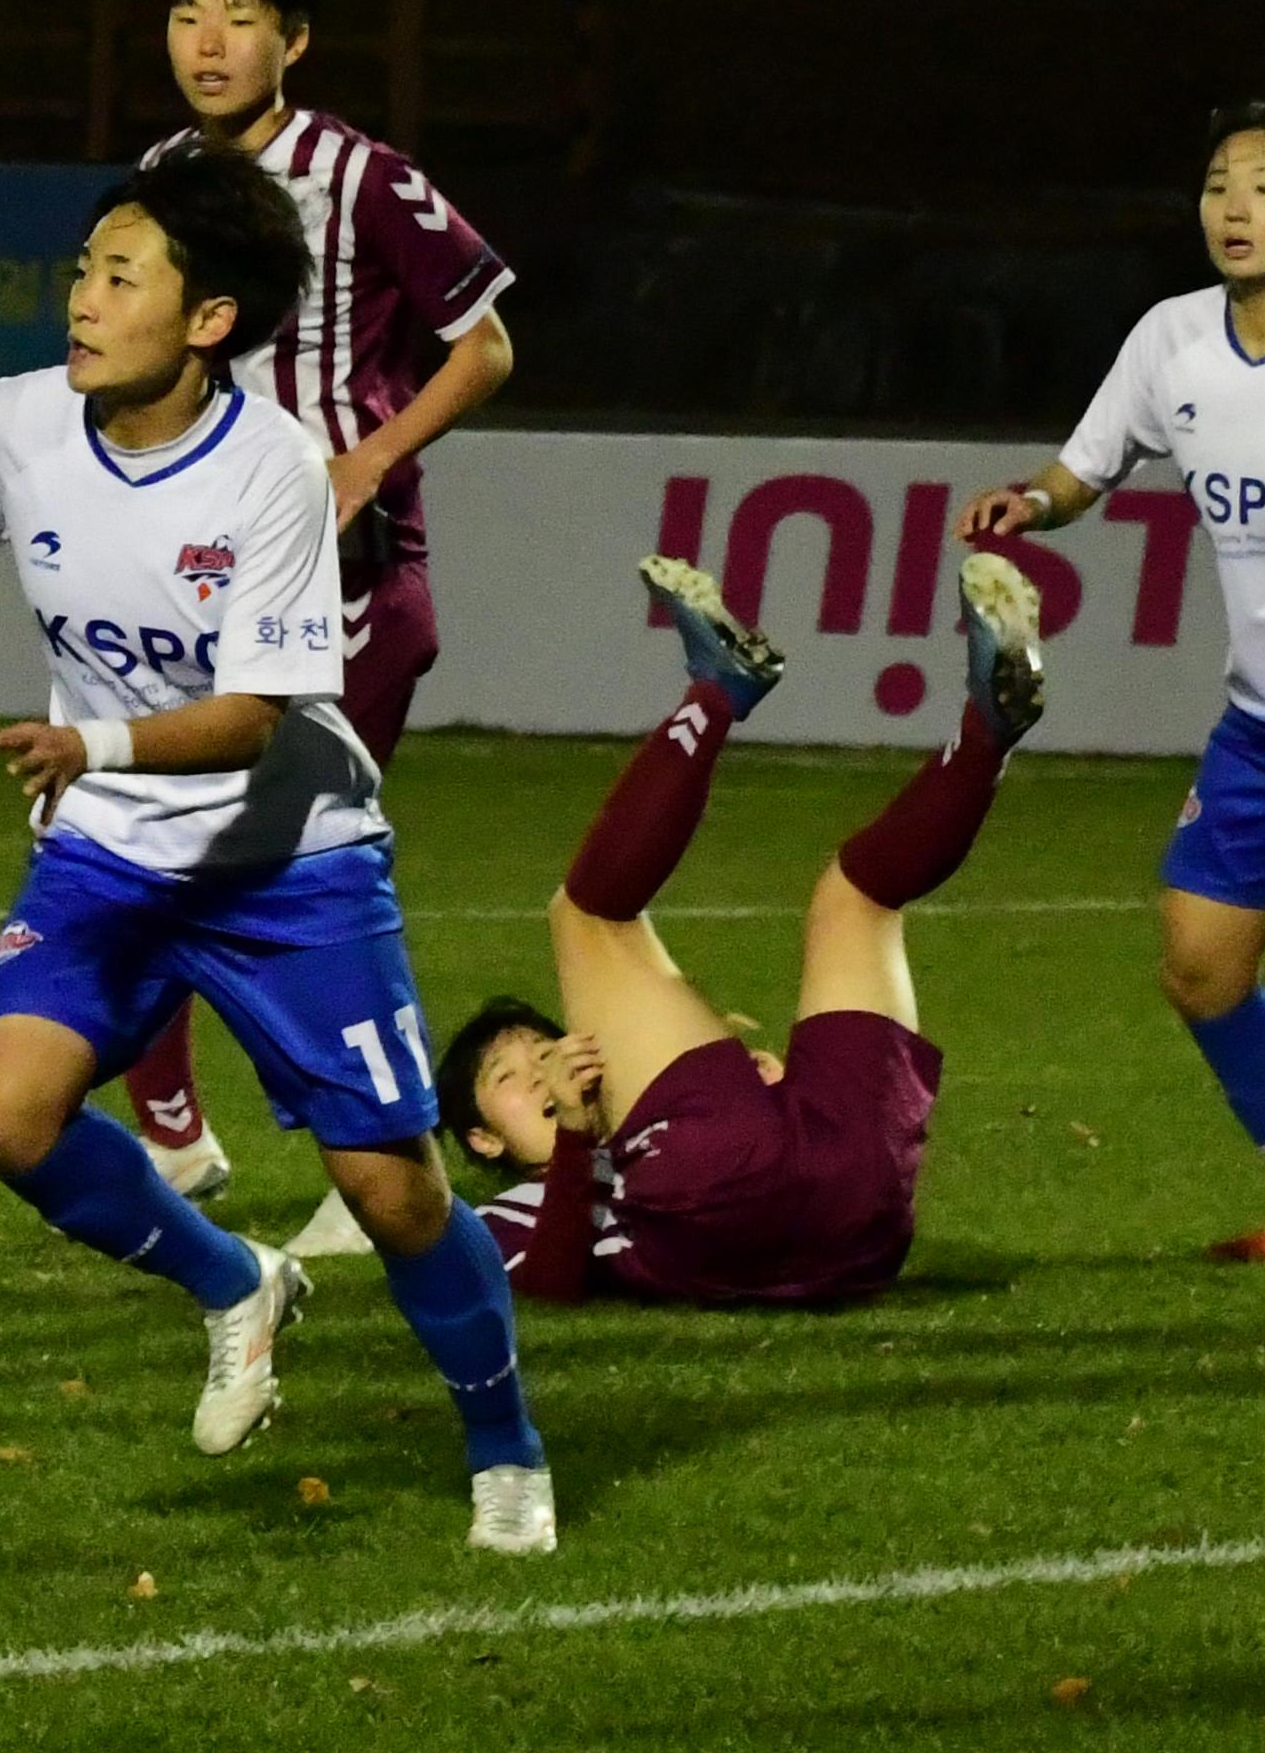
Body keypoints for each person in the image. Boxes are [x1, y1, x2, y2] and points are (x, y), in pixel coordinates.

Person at [0, 150, 554, 1553]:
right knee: (5, 1107)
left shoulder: (274, 475)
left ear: (208, 320)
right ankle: (235, 1280)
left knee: (391, 1188)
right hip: (113, 856)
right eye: (82, 271)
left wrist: (92, 747)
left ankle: (507, 1451)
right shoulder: (23, 417)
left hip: (287, 863)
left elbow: (253, 716)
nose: (83, 301)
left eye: (121, 279)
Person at [104, 0, 521, 1203]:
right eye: (186, 14)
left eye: (239, 16)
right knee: (172, 844)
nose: (207, 40)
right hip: (207, 586)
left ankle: (372, 1167)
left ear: (296, 40)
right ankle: (174, 1100)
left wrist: (366, 460)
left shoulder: (363, 176)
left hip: (353, 586)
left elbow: (490, 346)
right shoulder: (165, 184)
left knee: (300, 874)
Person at [957, 101, 1265, 1259]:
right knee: (1201, 971)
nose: (1236, 207)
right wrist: (1032, 504)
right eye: (1216, 185)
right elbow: (1087, 465)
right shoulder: (1171, 340)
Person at [424, 550, 1044, 1306]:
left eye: (544, 1049)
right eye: (509, 1078)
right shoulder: (505, 1211)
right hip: (815, 1215)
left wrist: (766, 1102)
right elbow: (550, 1288)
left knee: (857, 897)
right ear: (481, 1140)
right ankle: (717, 692)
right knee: (585, 916)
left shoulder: (640, 1122)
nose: (541, 1071)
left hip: (848, 1198)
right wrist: (581, 1139)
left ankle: (986, 730)